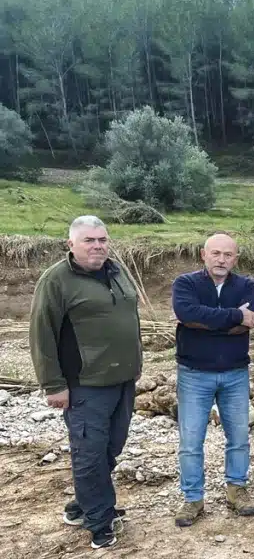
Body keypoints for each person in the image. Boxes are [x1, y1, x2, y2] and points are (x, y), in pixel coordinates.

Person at [28, 215, 143, 549]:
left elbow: (129, 319)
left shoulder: (118, 271)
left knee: (111, 447)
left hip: (123, 380)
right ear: (71, 244)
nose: (98, 246)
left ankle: (82, 506)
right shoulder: (56, 280)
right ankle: (99, 521)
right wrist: (52, 385)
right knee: (90, 452)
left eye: (102, 240)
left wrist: (137, 361)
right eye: (89, 240)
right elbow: (42, 334)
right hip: (86, 384)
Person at [170, 232, 254, 526]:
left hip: (235, 373)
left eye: (228, 255)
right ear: (203, 255)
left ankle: (237, 489)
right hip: (194, 374)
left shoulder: (247, 285)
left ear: (236, 258)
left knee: (239, 437)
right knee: (191, 440)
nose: (222, 260)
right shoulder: (186, 284)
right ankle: (193, 499)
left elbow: (245, 327)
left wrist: (204, 322)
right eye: (216, 254)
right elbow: (186, 313)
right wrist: (234, 315)